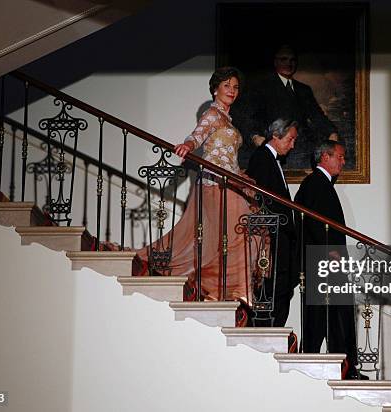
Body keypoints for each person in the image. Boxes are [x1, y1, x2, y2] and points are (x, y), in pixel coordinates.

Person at [135, 67, 257, 311]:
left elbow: (226, 156)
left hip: (230, 182)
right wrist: (187, 146)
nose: (232, 90)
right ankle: (229, 289)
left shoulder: (228, 119)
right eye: (226, 86)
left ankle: (228, 289)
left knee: (238, 233)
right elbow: (197, 135)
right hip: (215, 185)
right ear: (215, 89)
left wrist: (242, 176)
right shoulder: (212, 114)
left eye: (235, 87)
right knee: (239, 231)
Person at [294, 140, 366, 380]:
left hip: (324, 261)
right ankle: (341, 367)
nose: (343, 162)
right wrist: (331, 252)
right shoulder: (316, 183)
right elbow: (314, 223)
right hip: (324, 262)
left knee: (331, 315)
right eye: (340, 157)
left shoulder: (319, 183)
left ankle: (343, 366)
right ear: (325, 156)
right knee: (327, 316)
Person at [232, 44, 338, 169]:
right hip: (274, 147)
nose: (289, 63)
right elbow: (247, 117)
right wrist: (255, 136)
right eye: (284, 59)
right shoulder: (262, 87)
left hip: (301, 149)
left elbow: (317, 116)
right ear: (275, 62)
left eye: (292, 60)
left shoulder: (304, 90)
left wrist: (331, 132)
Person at [246, 118, 299, 327]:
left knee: (284, 287)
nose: (293, 145)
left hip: (281, 233)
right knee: (273, 286)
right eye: (290, 139)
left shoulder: (273, 159)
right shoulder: (261, 158)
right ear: (276, 136)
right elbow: (261, 199)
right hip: (272, 235)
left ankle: (277, 328)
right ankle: (268, 330)